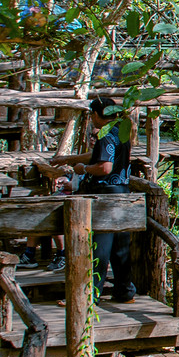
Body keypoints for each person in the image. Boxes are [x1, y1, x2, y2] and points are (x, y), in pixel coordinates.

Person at [42, 95, 134, 301]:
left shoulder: (105, 134)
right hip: (121, 193)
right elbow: (99, 156)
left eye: (91, 114)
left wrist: (83, 169)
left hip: (105, 196)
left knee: (99, 246)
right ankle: (125, 291)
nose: (91, 118)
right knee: (120, 246)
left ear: (95, 113)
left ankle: (90, 295)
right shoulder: (121, 131)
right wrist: (68, 159)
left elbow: (104, 166)